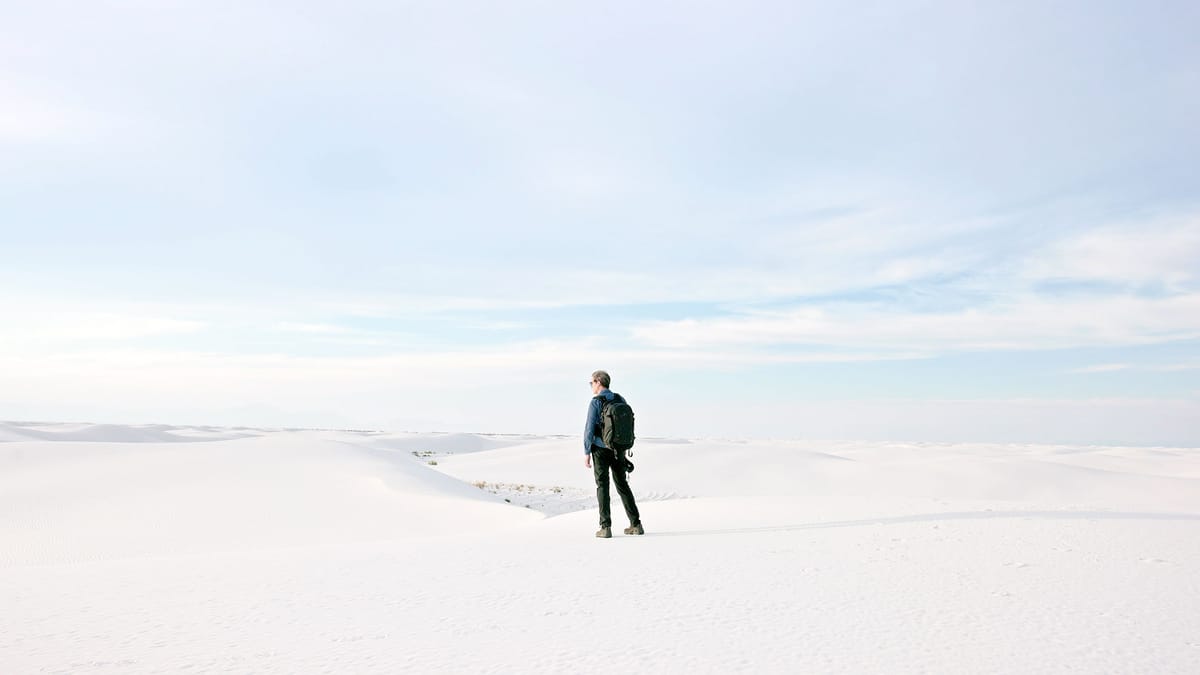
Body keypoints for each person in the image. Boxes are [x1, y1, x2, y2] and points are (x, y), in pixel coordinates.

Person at [584, 370, 643, 538]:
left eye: (591, 383)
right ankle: (636, 524)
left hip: (600, 449)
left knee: (603, 486)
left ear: (598, 382)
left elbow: (589, 429)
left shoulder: (596, 402)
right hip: (619, 449)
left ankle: (605, 527)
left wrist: (586, 451)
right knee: (622, 485)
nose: (591, 386)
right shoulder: (620, 399)